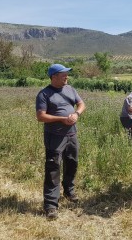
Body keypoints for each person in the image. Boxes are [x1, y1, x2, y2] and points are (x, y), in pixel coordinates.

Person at [36, 64, 86, 220]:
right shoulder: (44, 94)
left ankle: (69, 192)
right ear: (54, 77)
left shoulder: (70, 89)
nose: (67, 77)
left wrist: (76, 114)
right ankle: (51, 204)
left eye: (67, 74)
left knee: (72, 163)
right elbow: (41, 116)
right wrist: (63, 119)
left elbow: (81, 104)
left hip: (72, 134)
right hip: (55, 136)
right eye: (63, 74)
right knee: (53, 168)